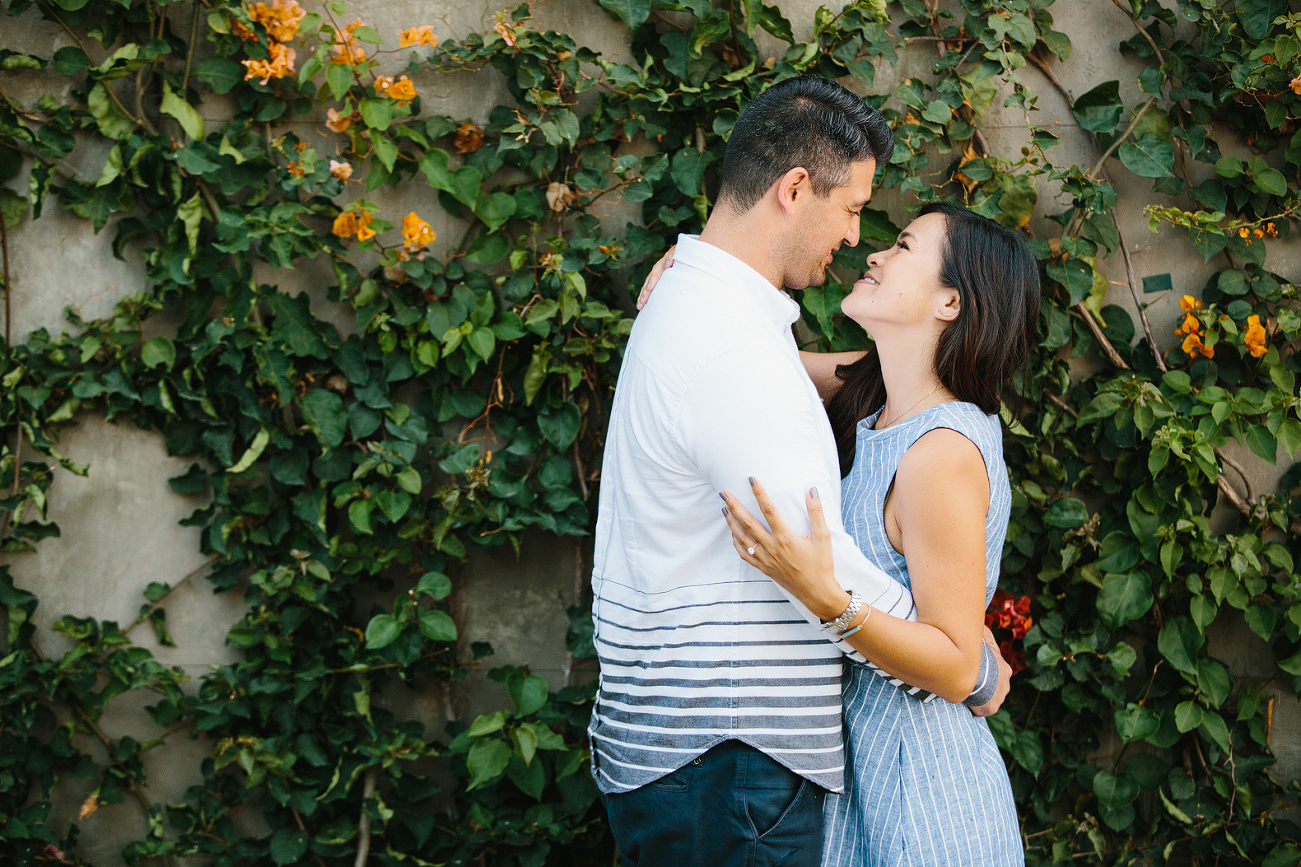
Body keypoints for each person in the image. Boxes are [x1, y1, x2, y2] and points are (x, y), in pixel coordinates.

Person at [589, 76, 1008, 867]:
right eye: (852, 209)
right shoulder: (732, 345)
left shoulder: (724, 320)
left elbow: (878, 380)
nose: (859, 238)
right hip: (728, 755)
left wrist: (685, 258)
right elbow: (814, 559)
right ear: (793, 190)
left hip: (725, 758)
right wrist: (967, 663)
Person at [717, 202, 1039, 865]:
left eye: (901, 245)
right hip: (866, 780)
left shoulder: (939, 452)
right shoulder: (876, 398)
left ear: (950, 300)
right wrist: (695, 279)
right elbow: (751, 356)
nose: (873, 253)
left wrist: (822, 595)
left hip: (926, 802)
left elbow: (953, 666)